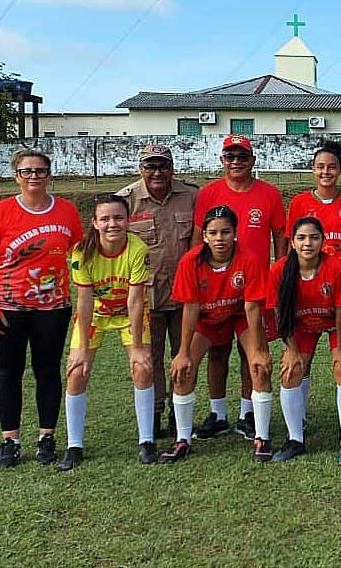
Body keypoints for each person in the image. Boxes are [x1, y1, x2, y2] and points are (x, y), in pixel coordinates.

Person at [0, 148, 83, 469]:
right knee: (9, 372)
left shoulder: (66, 211)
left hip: (53, 308)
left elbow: (78, 254)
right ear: (16, 176)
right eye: (27, 171)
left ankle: (46, 436)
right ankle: (10, 440)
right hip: (10, 308)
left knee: (47, 371)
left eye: (40, 171)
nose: (34, 176)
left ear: (50, 175)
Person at [192, 135, 286, 441]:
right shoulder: (209, 194)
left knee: (253, 352)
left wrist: (280, 273)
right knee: (217, 351)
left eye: (242, 156)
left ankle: (248, 413)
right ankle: (217, 413)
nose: (236, 162)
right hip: (216, 290)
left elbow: (280, 238)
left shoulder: (269, 194)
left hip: (254, 291)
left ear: (252, 160)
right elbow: (198, 238)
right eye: (230, 156)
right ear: (222, 160)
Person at [164, 205, 273, 463]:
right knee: (183, 370)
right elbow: (190, 307)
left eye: (225, 232)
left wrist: (259, 350)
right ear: (205, 235)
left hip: (239, 316)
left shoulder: (248, 258)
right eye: (213, 232)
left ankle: (262, 437)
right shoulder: (191, 261)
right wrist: (182, 353)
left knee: (259, 366)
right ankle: (183, 439)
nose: (219, 238)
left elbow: (252, 307)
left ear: (235, 233)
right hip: (206, 320)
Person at [60, 195, 153, 470]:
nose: (112, 224)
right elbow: (85, 300)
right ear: (95, 223)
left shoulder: (137, 249)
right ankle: (74, 445)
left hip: (128, 314)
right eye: (105, 219)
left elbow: (136, 300)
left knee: (142, 368)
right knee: (77, 371)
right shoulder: (81, 251)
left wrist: (137, 346)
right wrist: (81, 347)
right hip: (96, 315)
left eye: (118, 218)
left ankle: (146, 441)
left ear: (128, 220)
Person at [116, 144, 198, 439]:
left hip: (183, 294)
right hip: (145, 297)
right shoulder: (127, 201)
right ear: (141, 169)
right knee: (148, 358)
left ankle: (180, 413)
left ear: (172, 167)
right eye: (150, 166)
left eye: (162, 166)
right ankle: (152, 414)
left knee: (184, 355)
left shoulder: (191, 196)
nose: (157, 172)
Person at [283, 141, 341, 439]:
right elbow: (291, 245)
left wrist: (337, 260)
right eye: (320, 166)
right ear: (313, 170)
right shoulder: (300, 203)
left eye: (331, 166)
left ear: (340, 170)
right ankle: (298, 423)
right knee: (299, 360)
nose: (326, 171)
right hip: (306, 284)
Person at [267, 217, 341, 465]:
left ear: (323, 241)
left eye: (314, 238)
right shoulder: (279, 270)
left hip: (338, 321)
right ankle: (295, 439)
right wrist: (292, 350)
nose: (307, 243)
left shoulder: (337, 267)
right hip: (302, 324)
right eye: (301, 238)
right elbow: (280, 313)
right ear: (293, 242)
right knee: (290, 371)